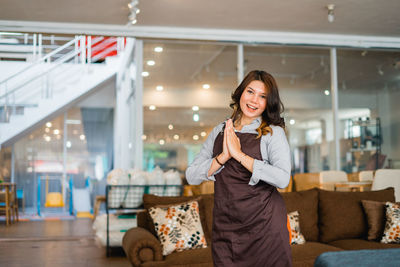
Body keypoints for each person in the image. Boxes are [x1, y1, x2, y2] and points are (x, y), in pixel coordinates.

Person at [186, 70, 292, 266]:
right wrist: (223, 156)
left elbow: (283, 179)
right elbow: (191, 176)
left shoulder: (272, 133)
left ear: (269, 103)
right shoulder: (220, 131)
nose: (254, 100)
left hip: (265, 226)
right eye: (250, 92)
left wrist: (240, 155)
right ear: (240, 93)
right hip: (226, 226)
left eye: (263, 96)